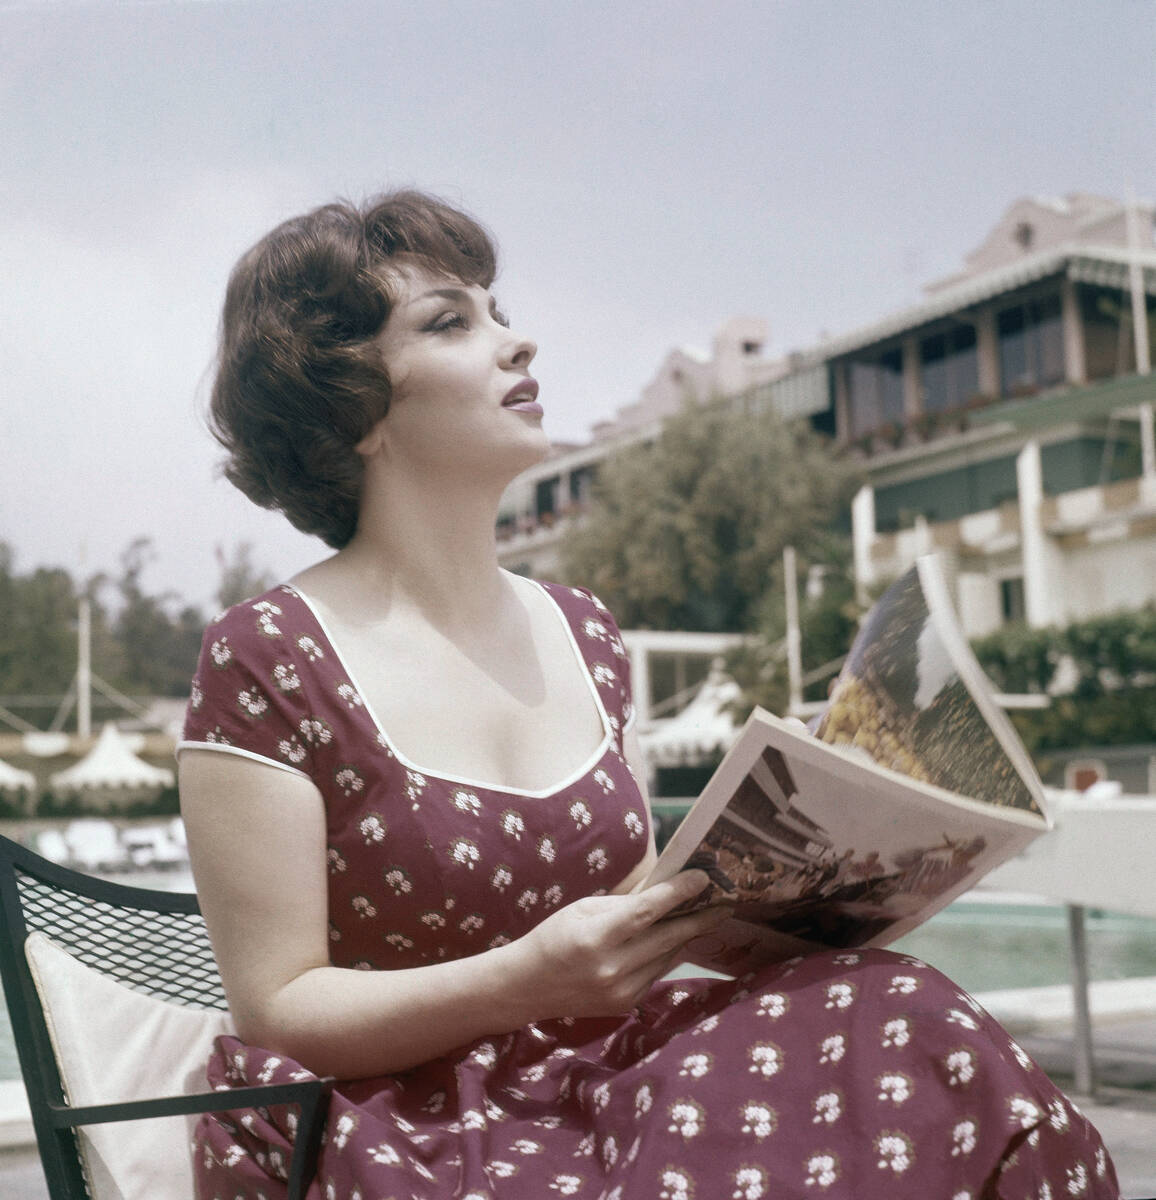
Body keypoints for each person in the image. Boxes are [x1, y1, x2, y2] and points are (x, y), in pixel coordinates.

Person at [178, 190, 1120, 1200]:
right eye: (452, 322)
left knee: (912, 1019)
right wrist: (525, 982)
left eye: (499, 310)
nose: (518, 341)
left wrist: (809, 875)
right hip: (402, 1115)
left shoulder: (586, 635)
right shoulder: (268, 656)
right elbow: (276, 1007)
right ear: (348, 410)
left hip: (607, 1069)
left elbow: (624, 903)